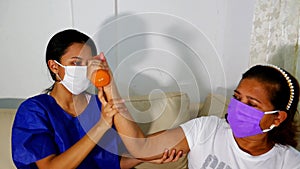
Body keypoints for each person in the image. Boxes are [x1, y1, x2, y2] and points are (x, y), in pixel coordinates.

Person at [11, 29, 180, 169]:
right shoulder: (34, 111)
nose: (83, 69)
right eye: (76, 63)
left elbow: (113, 162)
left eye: (88, 63)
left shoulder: (100, 103)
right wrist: (101, 126)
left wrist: (144, 157)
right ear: (54, 66)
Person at [103, 63, 300, 168]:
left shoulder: (289, 162)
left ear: (277, 118)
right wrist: (109, 87)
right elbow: (141, 148)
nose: (239, 107)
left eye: (252, 104)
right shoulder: (207, 129)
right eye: (237, 98)